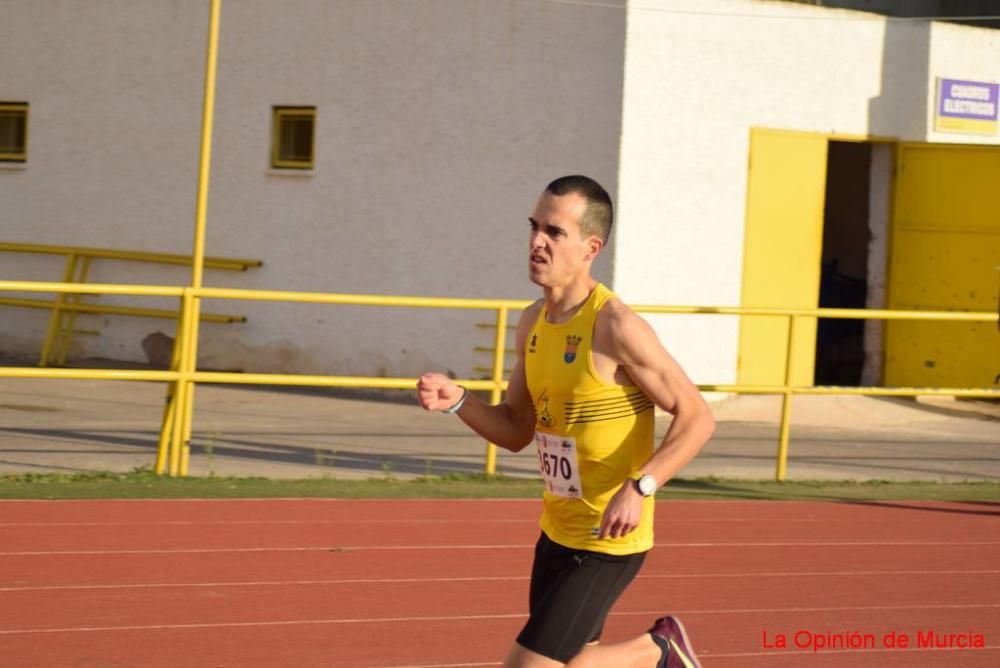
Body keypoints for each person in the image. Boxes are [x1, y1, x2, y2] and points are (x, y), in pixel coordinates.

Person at [417, 175, 715, 668]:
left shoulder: (615, 326)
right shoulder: (532, 322)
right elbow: (516, 428)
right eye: (535, 227)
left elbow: (698, 417)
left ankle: (659, 650)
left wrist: (641, 487)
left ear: (590, 247)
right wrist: (458, 400)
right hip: (556, 530)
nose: (537, 241)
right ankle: (659, 651)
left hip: (608, 539)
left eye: (554, 232)